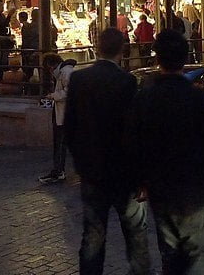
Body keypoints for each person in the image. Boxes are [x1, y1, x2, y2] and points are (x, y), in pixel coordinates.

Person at [127, 29, 204, 274]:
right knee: (199, 259)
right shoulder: (200, 100)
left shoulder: (145, 100)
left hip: (162, 193)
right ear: (185, 59)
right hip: (195, 192)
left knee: (171, 258)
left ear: (157, 59)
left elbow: (132, 146)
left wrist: (140, 183)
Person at [64, 27, 150, 275]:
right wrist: (142, 174)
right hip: (124, 172)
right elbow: (134, 130)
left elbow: (70, 126)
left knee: (93, 234)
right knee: (135, 235)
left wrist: (80, 162)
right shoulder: (127, 81)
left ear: (97, 47)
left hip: (93, 172)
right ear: (122, 51)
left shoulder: (80, 79)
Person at [39, 52, 76, 185]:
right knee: (60, 143)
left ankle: (59, 170)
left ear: (51, 65)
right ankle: (59, 169)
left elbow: (69, 91)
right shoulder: (63, 72)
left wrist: (54, 95)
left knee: (60, 143)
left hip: (64, 113)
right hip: (61, 112)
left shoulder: (65, 72)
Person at [20, 11, 39, 81]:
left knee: (28, 71)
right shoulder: (42, 25)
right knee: (40, 69)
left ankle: (28, 87)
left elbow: (26, 40)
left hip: (29, 51)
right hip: (37, 50)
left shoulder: (29, 26)